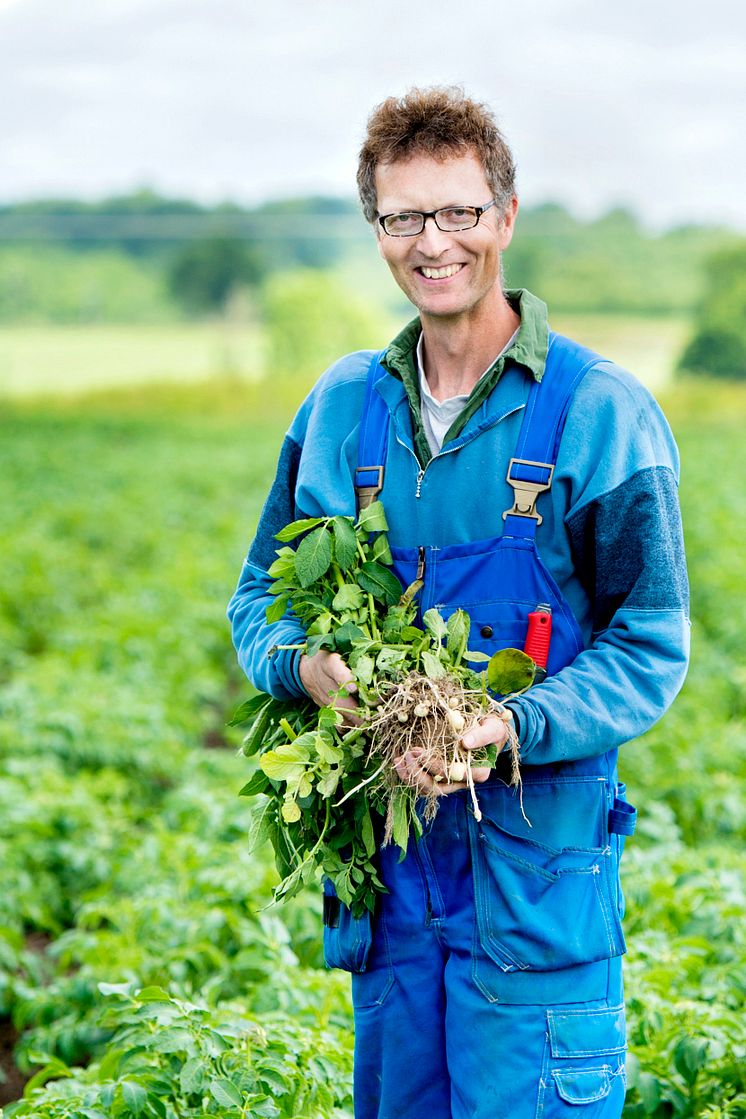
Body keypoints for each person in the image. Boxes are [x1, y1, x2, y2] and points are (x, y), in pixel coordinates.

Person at [228, 86, 689, 1119]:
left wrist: (508, 723)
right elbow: (261, 592)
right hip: (391, 893)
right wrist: (301, 668)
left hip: (532, 902)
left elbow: (648, 643)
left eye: (457, 213)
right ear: (376, 230)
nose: (431, 243)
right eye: (402, 218)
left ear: (505, 217)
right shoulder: (342, 407)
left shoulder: (598, 414)